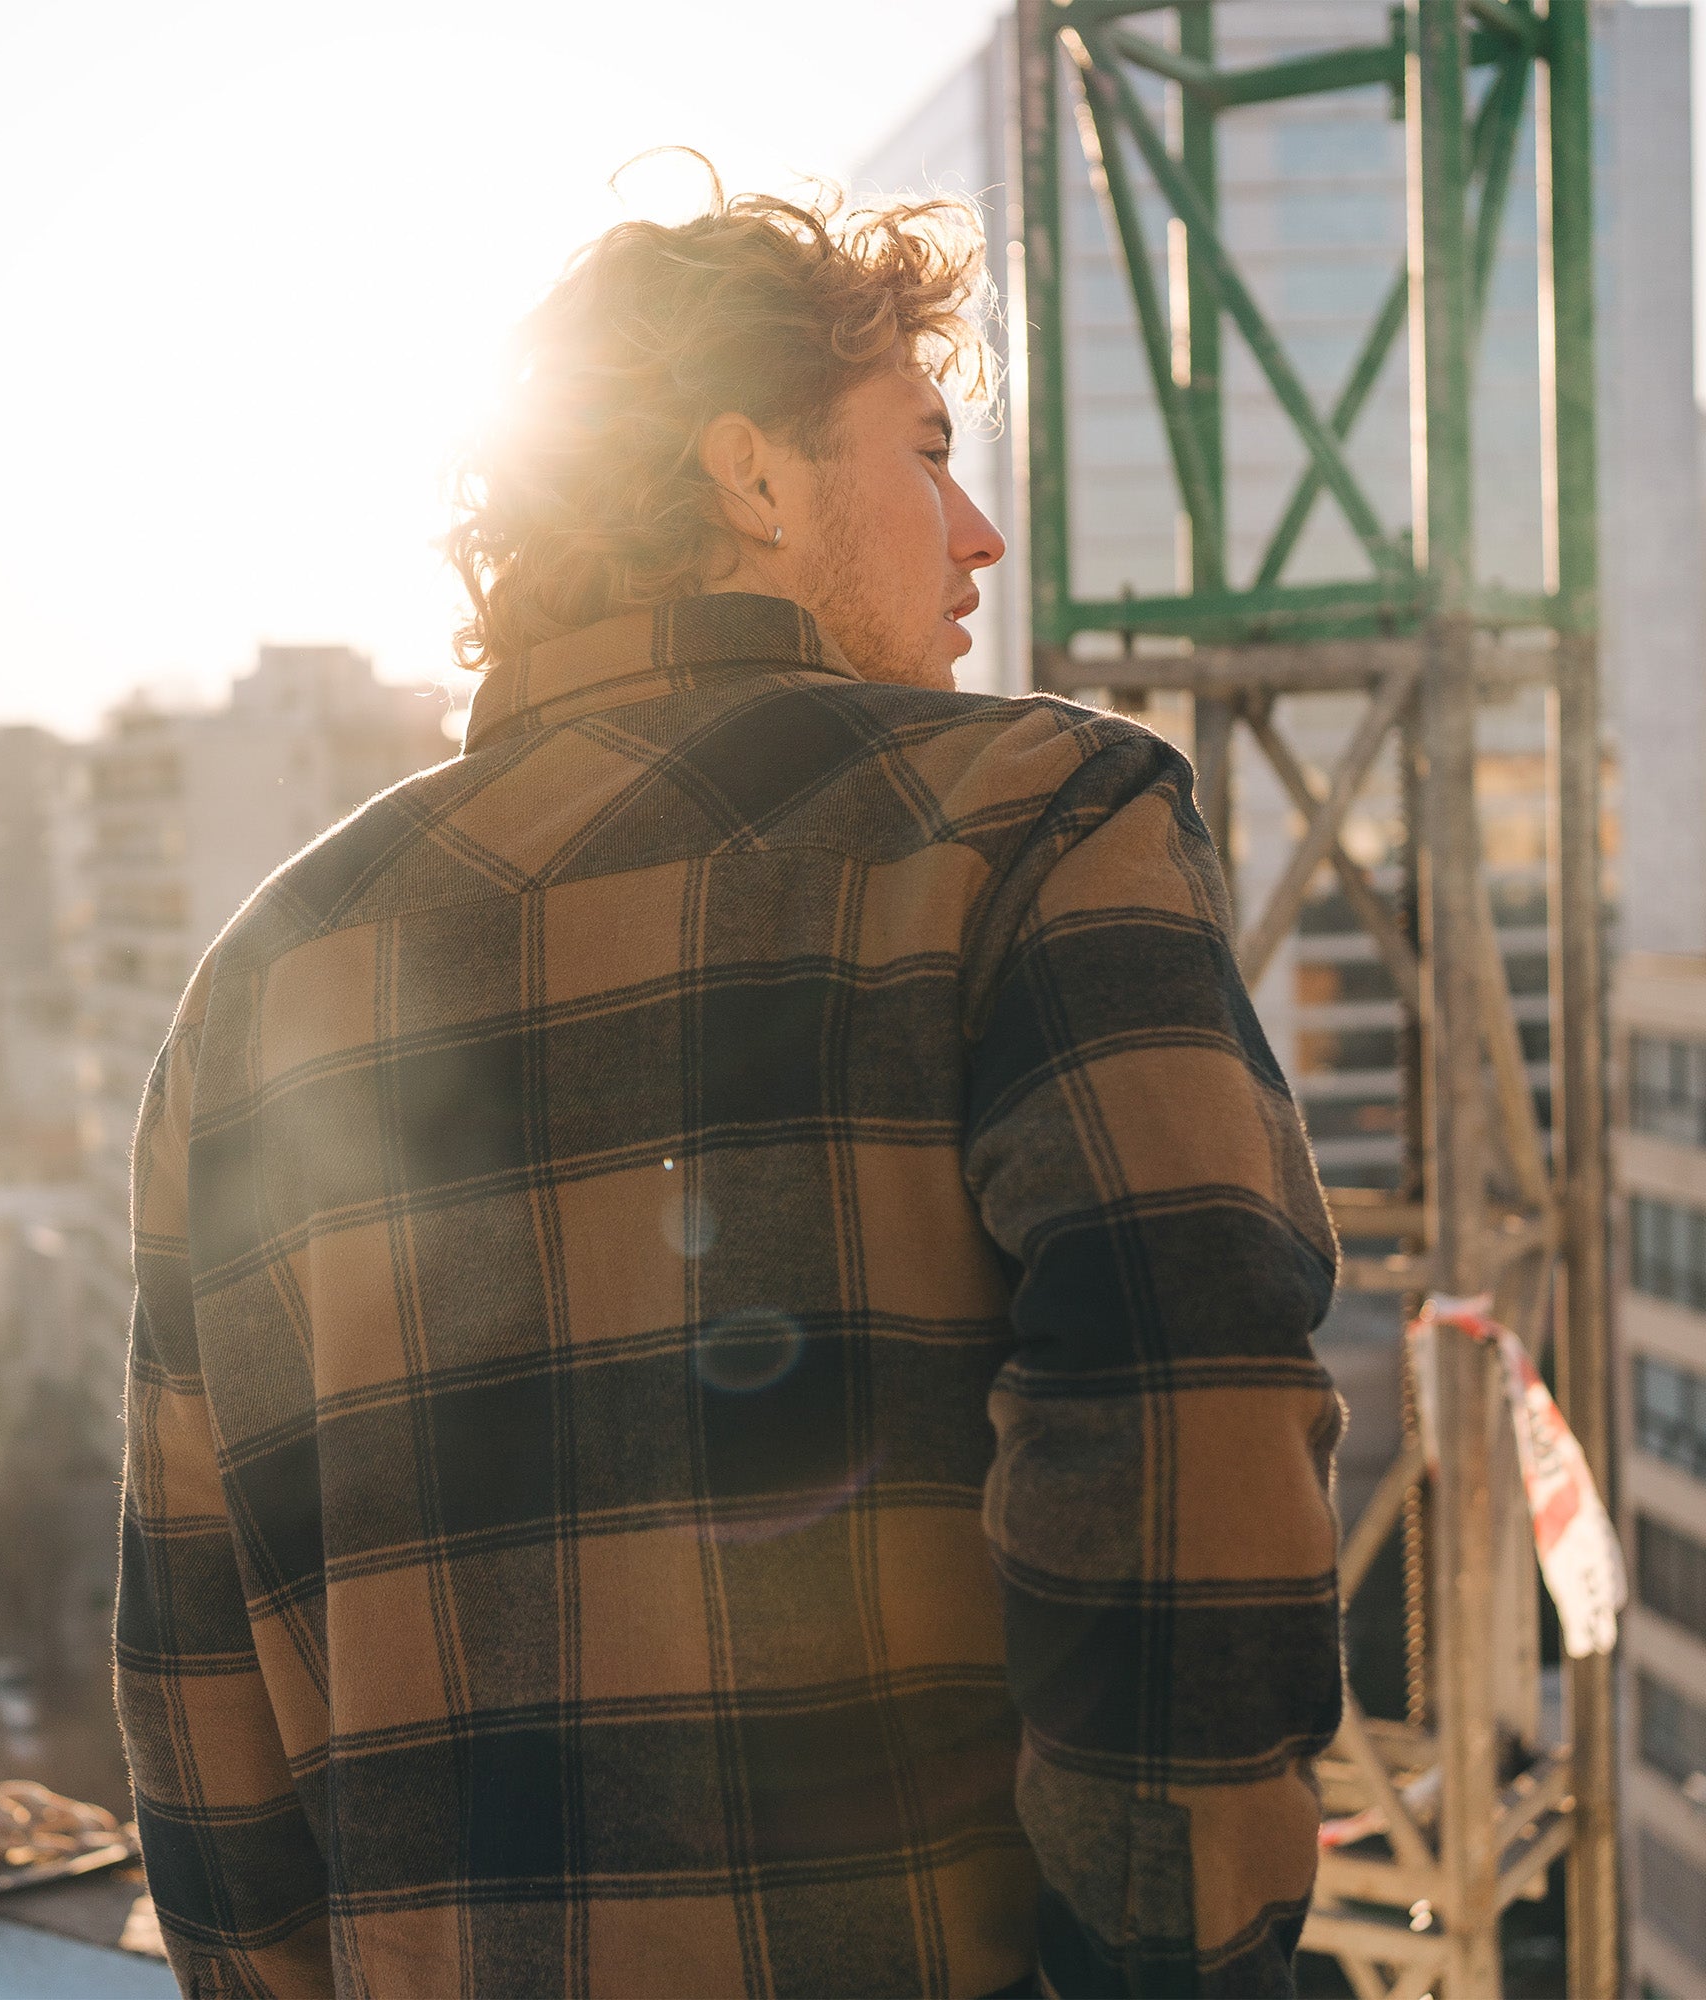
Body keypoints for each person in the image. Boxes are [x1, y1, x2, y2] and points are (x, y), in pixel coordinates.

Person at [116, 164, 1343, 2000]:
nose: (978, 533)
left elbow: (197, 1684)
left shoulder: (262, 979)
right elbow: (1188, 1423)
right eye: (926, 451)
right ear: (748, 477)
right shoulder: (1034, 826)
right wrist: (1186, 1965)